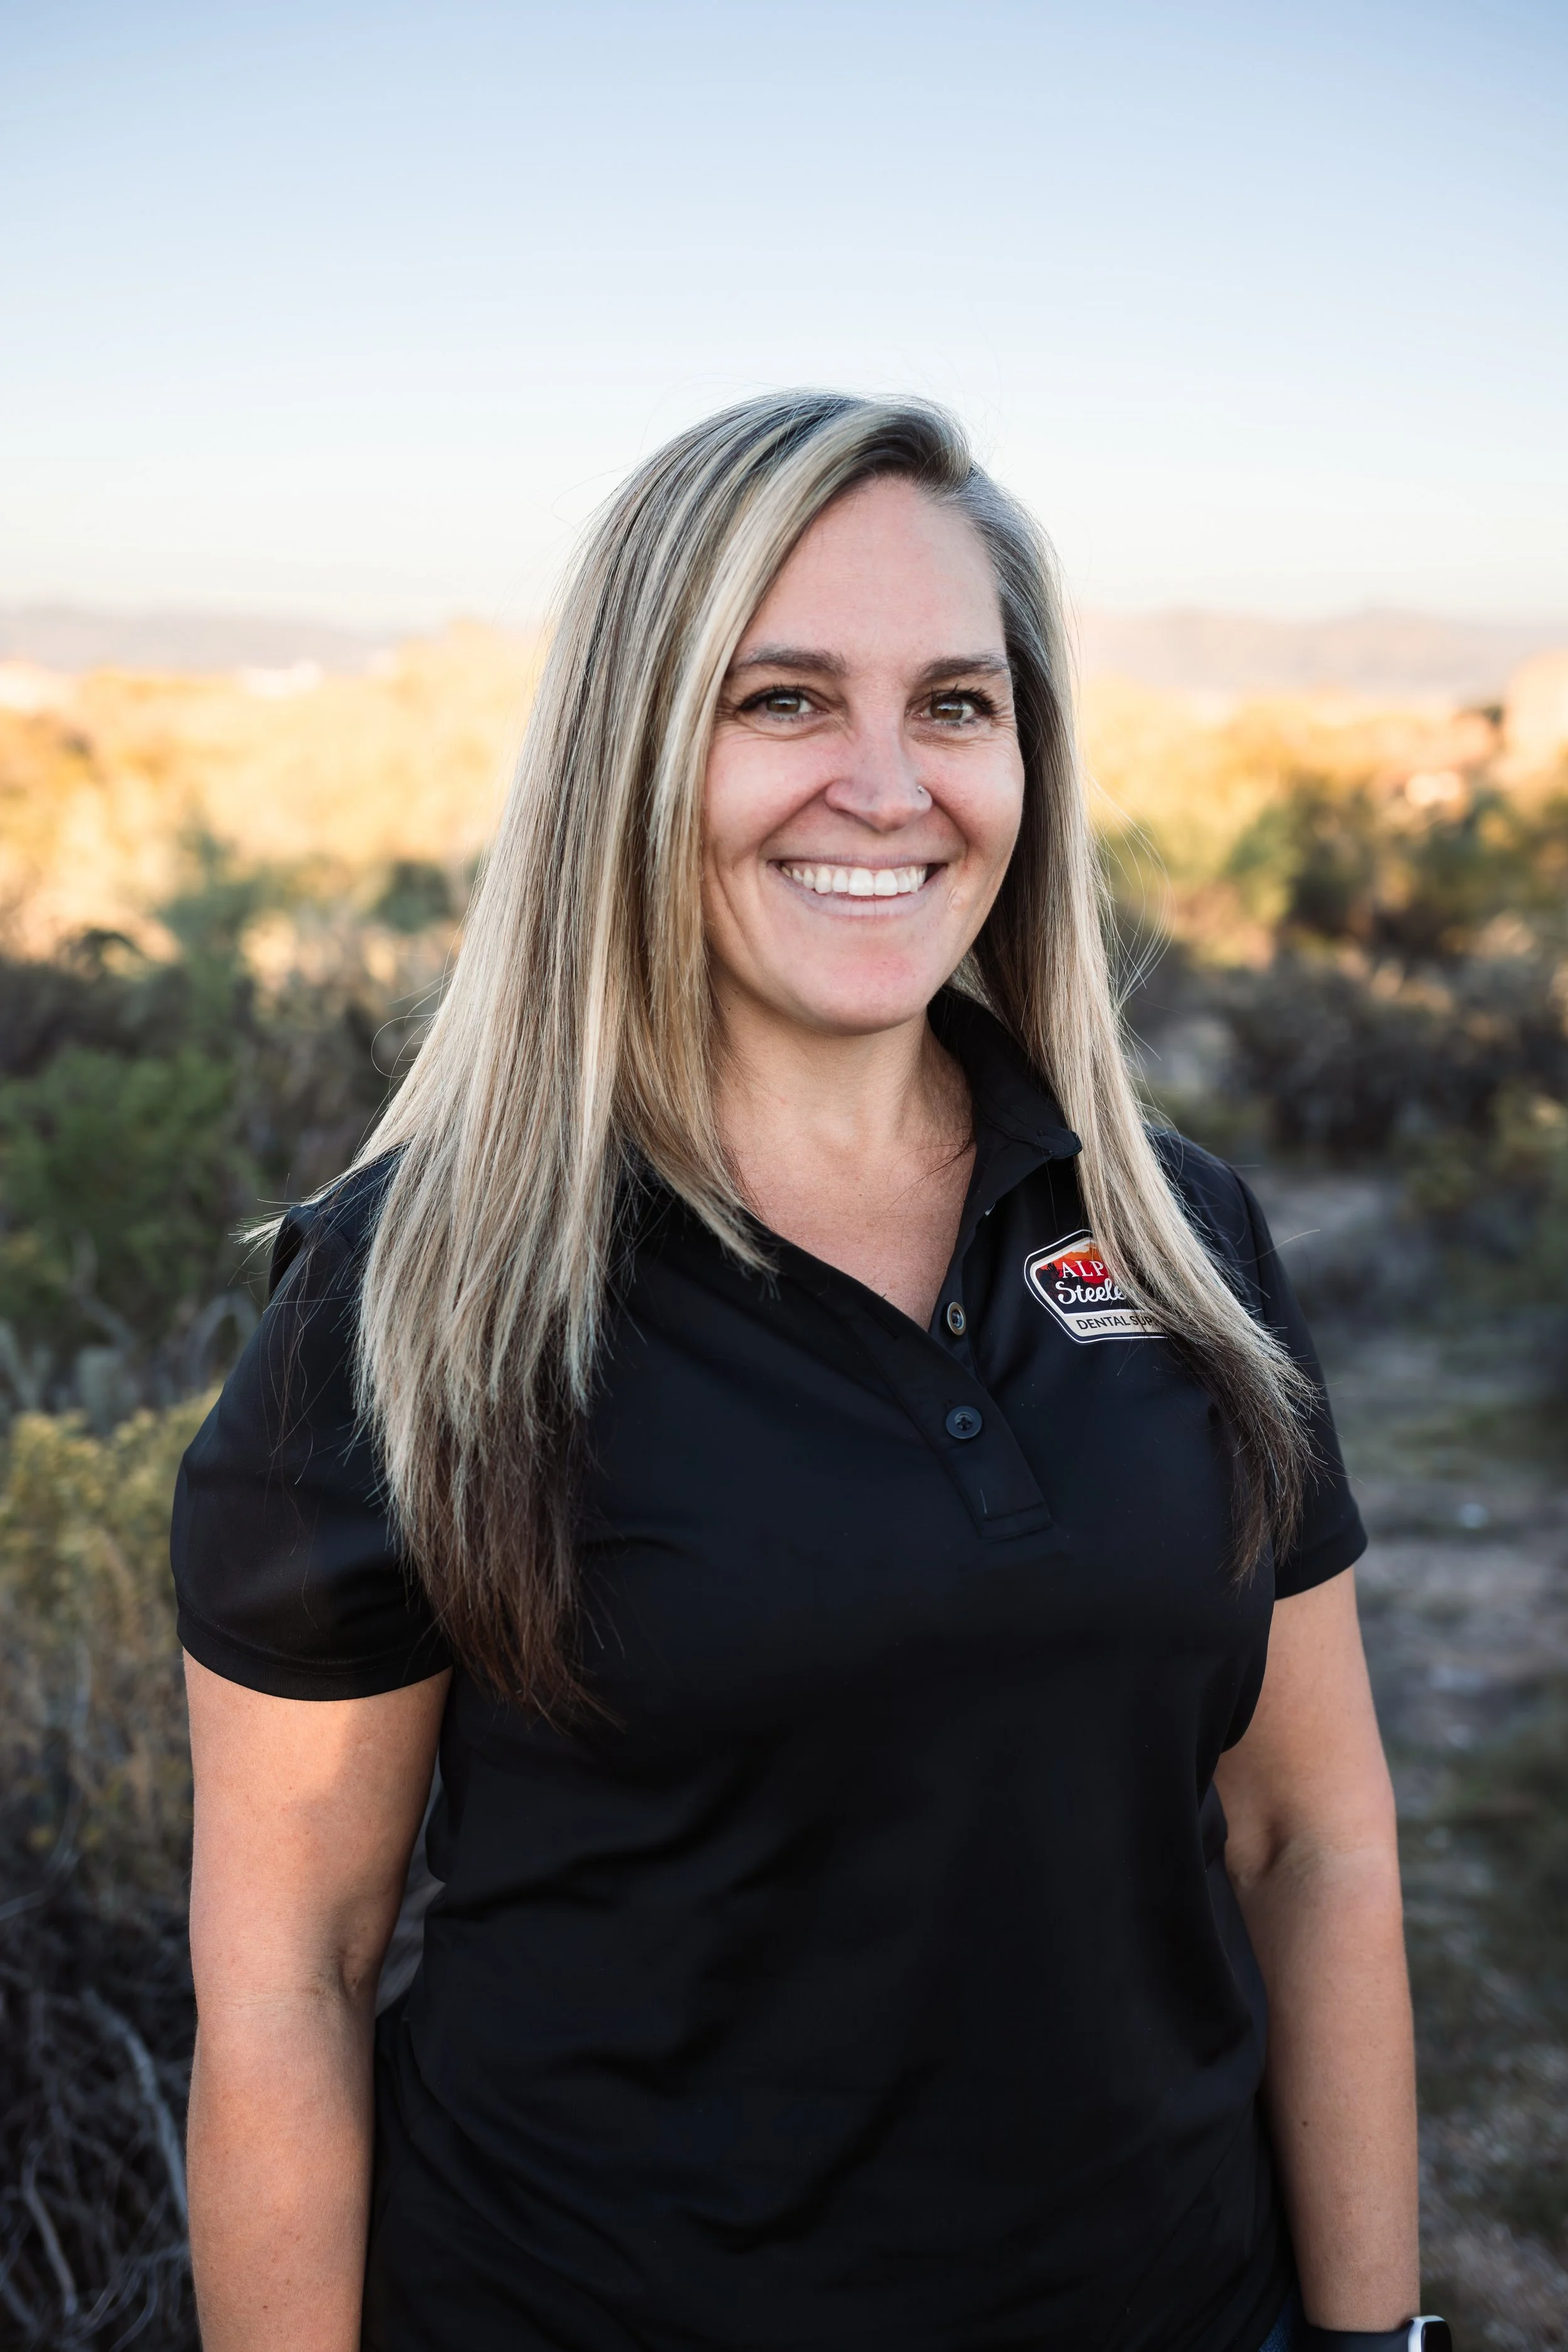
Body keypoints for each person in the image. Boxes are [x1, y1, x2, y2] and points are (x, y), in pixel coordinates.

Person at [172, 393, 1435, 2352]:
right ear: (633, 753)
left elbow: (1311, 1839)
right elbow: (291, 1978)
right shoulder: (417, 1295)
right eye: (781, 700)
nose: (884, 783)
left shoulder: (1175, 1230)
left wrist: (1378, 2336)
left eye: (952, 702)